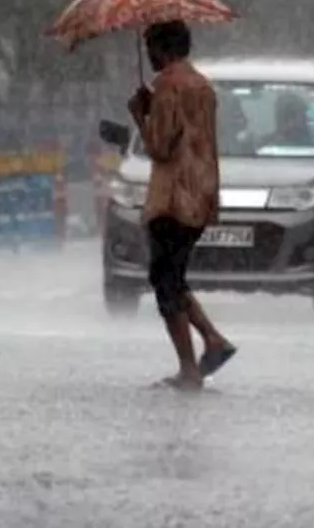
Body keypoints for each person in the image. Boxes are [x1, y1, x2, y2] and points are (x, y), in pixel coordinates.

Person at [127, 20, 237, 391]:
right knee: (171, 277)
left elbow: (159, 146)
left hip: (172, 198)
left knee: (165, 284)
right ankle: (210, 344)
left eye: (150, 48)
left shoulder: (167, 87)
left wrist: (139, 114)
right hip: (201, 192)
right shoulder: (203, 86)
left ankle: (193, 364)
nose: (148, 56)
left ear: (164, 49)